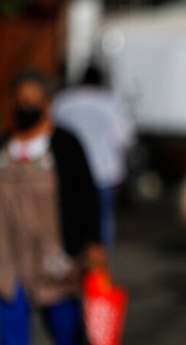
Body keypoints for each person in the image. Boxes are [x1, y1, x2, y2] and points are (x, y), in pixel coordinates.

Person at [0, 70, 103, 345]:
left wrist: (92, 243)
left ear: (48, 103)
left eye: (32, 100)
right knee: (11, 320)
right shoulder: (5, 145)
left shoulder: (65, 144)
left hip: (54, 253)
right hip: (9, 252)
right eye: (19, 100)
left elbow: (87, 195)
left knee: (64, 322)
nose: (24, 106)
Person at [52, 65, 135, 256]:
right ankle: (99, 275)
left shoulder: (64, 101)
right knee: (102, 224)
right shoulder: (110, 103)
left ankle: (71, 263)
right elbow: (125, 138)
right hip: (103, 173)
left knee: (69, 221)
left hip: (69, 174)